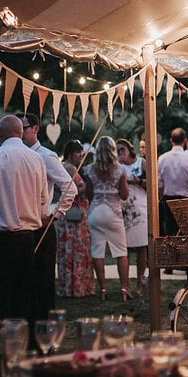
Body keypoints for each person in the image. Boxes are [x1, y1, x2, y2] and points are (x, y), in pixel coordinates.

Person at [0, 115, 48, 322]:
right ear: (20, 133)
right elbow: (44, 199)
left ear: (0, 134)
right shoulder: (36, 159)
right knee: (21, 297)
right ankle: (19, 339)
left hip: (0, 239)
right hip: (28, 237)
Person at [17, 112, 77, 337]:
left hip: (41, 227)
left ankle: (44, 336)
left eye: (23, 128)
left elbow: (70, 188)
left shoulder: (46, 156)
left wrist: (54, 214)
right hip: (20, 227)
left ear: (35, 129)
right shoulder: (14, 155)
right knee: (24, 284)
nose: (19, 133)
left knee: (42, 285)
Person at [84, 137, 131, 300]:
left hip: (96, 212)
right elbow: (124, 195)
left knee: (97, 251)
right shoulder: (120, 169)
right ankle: (124, 289)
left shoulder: (89, 170)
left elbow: (88, 195)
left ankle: (103, 290)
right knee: (121, 252)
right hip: (113, 213)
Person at [56, 140, 94, 298]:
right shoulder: (70, 168)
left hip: (67, 213)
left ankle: (69, 284)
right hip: (76, 213)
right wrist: (89, 181)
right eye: (78, 153)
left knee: (68, 250)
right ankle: (78, 286)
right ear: (71, 153)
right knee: (78, 248)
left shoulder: (61, 167)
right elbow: (78, 189)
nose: (80, 156)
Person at [117, 138, 149, 295]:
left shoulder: (141, 162)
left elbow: (153, 182)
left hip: (140, 207)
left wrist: (140, 181)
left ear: (129, 149)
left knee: (142, 247)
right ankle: (125, 285)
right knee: (124, 248)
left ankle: (140, 283)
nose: (120, 152)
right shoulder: (117, 167)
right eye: (117, 150)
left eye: (122, 149)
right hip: (123, 209)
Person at [158, 128, 188, 237]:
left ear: (171, 141)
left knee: (171, 232)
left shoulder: (163, 158)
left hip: (169, 199)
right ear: (185, 140)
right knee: (187, 232)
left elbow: (159, 183)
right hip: (187, 199)